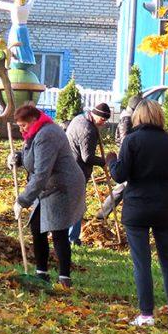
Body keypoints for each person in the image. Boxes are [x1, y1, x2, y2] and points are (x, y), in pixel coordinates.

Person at [106, 99, 168, 327]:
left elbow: (120, 175)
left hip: (137, 209)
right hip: (164, 208)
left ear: (138, 117)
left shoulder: (131, 141)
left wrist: (112, 160)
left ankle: (146, 314)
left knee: (142, 262)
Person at [9, 104, 86, 288]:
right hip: (47, 187)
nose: (21, 130)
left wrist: (22, 200)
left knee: (58, 230)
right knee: (37, 227)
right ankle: (41, 273)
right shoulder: (34, 132)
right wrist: (18, 157)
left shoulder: (47, 135)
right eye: (18, 126)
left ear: (34, 120)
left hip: (63, 187)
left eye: (23, 125)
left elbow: (42, 173)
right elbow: (33, 157)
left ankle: (64, 278)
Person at [65, 102, 112, 245]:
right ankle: (72, 239)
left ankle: (63, 235)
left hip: (67, 166)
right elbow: (88, 157)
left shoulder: (79, 118)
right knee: (77, 206)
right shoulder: (89, 130)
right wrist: (104, 161)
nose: (103, 123)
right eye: (102, 120)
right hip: (76, 172)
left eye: (106, 120)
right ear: (95, 114)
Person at [96, 94, 139, 220]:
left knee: (122, 187)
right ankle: (102, 213)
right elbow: (126, 140)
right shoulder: (126, 120)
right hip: (126, 156)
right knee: (122, 187)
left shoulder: (127, 118)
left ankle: (103, 213)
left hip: (127, 155)